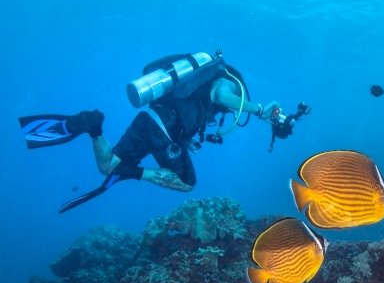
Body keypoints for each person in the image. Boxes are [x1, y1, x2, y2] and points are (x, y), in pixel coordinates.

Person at [19, 51, 286, 212]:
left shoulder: (197, 81)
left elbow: (191, 105)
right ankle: (133, 172)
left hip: (148, 118)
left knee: (108, 166)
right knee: (186, 184)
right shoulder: (228, 82)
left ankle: (93, 126)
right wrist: (258, 109)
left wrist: (187, 139)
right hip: (165, 129)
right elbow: (220, 95)